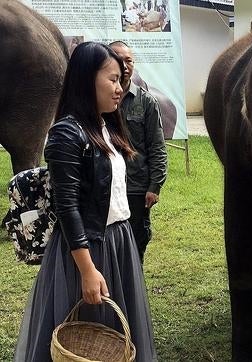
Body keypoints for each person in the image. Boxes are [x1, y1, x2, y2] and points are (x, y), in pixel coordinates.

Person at [14, 42, 157, 361]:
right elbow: (68, 207)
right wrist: (88, 269)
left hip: (119, 243)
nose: (120, 88)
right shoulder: (67, 133)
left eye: (121, 79)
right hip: (88, 248)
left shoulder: (105, 127)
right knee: (82, 338)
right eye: (112, 79)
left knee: (114, 338)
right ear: (85, 79)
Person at [109, 41, 167, 263]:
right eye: (118, 59)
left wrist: (154, 186)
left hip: (135, 187)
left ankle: (133, 289)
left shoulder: (146, 102)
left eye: (129, 60)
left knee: (135, 242)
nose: (124, 65)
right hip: (106, 185)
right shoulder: (98, 101)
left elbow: (157, 147)